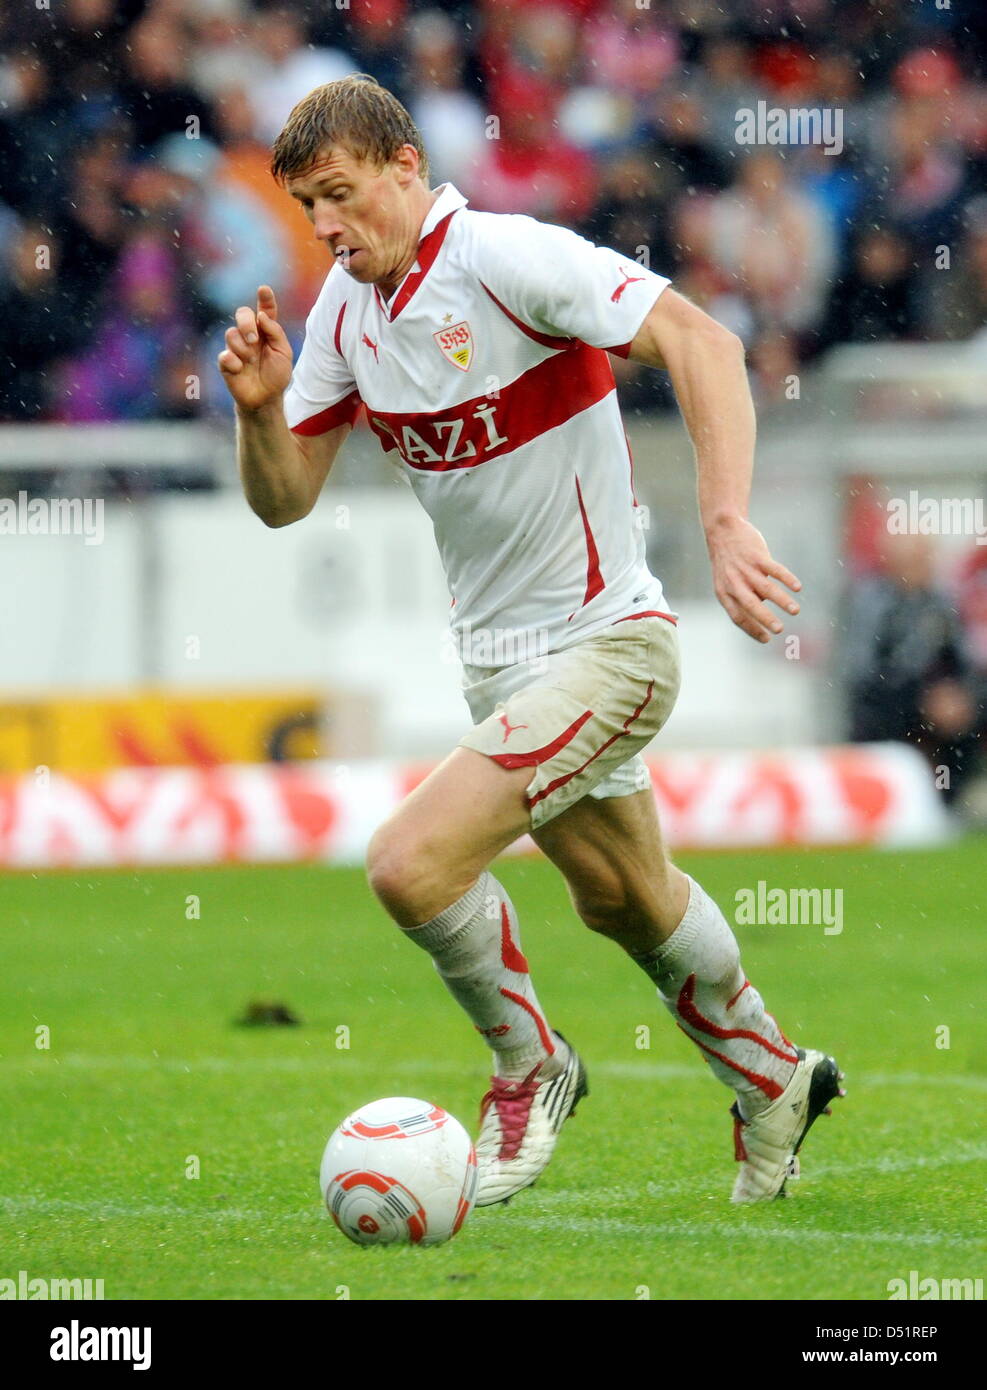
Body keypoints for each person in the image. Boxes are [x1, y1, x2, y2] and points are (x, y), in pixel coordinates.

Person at [217, 74, 842, 1208]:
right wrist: (262, 414)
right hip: (502, 665)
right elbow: (282, 502)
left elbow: (701, 342)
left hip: (610, 644)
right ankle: (774, 1078)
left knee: (410, 863)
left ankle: (531, 1064)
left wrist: (724, 514)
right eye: (308, 206)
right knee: (623, 898)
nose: (324, 228)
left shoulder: (505, 259)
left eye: (342, 196)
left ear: (408, 165)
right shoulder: (346, 317)